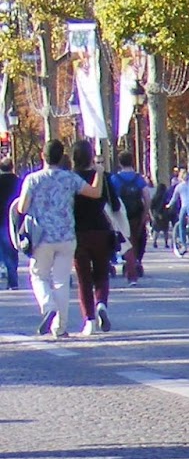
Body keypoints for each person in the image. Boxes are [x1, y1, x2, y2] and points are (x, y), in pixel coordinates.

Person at [15, 140, 103, 337]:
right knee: (62, 281)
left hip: (41, 237)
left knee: (39, 275)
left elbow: (22, 208)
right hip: (66, 235)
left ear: (42, 156)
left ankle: (48, 305)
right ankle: (60, 327)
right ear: (62, 156)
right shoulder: (69, 178)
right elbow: (95, 193)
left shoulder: (33, 179)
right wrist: (99, 171)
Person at [71, 140, 116, 335]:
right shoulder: (104, 177)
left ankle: (88, 319)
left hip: (78, 231)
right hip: (101, 229)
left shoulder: (71, 179)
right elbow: (115, 204)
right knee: (101, 273)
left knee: (83, 277)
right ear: (91, 156)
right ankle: (101, 304)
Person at [111, 152, 150, 286]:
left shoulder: (115, 179)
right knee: (138, 239)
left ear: (120, 163)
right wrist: (145, 213)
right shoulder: (138, 179)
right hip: (136, 214)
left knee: (125, 241)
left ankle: (128, 264)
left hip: (122, 215)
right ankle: (136, 261)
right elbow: (146, 196)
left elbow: (111, 199)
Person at [0, 157, 19, 290]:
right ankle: (13, 280)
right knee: (13, 250)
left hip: (1, 220)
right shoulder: (19, 182)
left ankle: (9, 275)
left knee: (4, 251)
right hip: (14, 221)